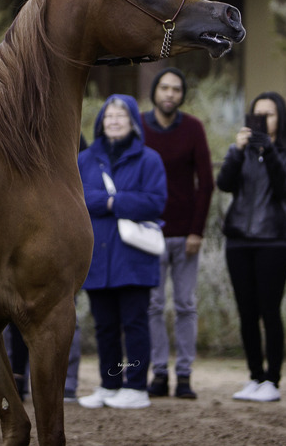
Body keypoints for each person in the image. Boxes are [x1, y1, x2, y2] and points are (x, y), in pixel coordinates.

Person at [77, 94, 167, 410]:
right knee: (104, 327)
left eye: (121, 116)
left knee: (134, 324)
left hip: (133, 259)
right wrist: (114, 202)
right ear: (101, 122)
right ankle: (110, 383)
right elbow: (78, 199)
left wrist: (112, 202)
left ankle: (137, 385)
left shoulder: (149, 159)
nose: (114, 121)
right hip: (97, 258)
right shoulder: (85, 159)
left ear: (133, 122)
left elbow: (155, 202)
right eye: (109, 116)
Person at [217, 91, 286, 403]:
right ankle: (255, 376)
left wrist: (269, 151)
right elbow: (224, 183)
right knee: (246, 313)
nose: (263, 120)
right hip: (239, 241)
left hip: (273, 243)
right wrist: (238, 151)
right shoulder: (239, 151)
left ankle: (273, 380)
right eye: (258, 114)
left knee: (270, 311)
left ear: (280, 117)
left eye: (269, 114)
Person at [141, 67, 214, 400]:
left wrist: (196, 231)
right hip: (148, 233)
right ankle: (158, 374)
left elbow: (206, 184)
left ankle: (184, 375)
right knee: (153, 305)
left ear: (182, 95)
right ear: (155, 91)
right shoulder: (139, 126)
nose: (170, 94)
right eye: (164, 88)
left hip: (185, 235)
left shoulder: (194, 129)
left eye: (176, 89)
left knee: (185, 305)